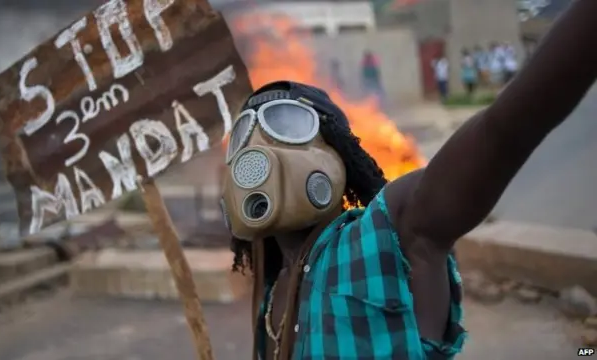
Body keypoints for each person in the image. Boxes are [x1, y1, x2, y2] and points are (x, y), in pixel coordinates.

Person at [222, 1, 597, 358]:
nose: (255, 146)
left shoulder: (389, 237)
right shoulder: (270, 296)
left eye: (286, 123)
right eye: (243, 134)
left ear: (337, 155)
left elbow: (502, 131)